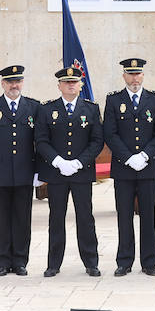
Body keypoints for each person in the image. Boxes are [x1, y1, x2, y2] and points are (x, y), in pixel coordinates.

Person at [35, 65, 103, 278]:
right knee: (56, 218)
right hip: (57, 173)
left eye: (74, 82)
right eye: (66, 82)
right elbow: (41, 140)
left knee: (85, 217)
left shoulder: (91, 108)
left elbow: (97, 140)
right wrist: (58, 161)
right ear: (59, 86)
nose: (71, 85)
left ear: (81, 85)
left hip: (81, 173)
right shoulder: (47, 109)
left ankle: (91, 262)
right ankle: (53, 264)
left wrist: (79, 163)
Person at [103, 57, 155, 277]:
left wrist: (145, 155)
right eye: (130, 74)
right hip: (124, 168)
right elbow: (110, 133)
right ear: (124, 76)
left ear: (143, 75)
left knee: (148, 215)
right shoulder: (113, 100)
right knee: (124, 215)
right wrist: (128, 157)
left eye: (138, 74)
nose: (134, 78)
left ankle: (149, 261)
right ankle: (124, 261)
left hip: (148, 167)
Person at [0, 64, 41, 276]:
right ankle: (2, 261)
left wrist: (38, 171)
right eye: (10, 82)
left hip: (25, 172)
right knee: (2, 218)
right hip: (0, 173)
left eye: (18, 81)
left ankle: (21, 260)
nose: (14, 85)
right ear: (3, 84)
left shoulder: (33, 107)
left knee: (23, 218)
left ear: (22, 83)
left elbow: (39, 142)